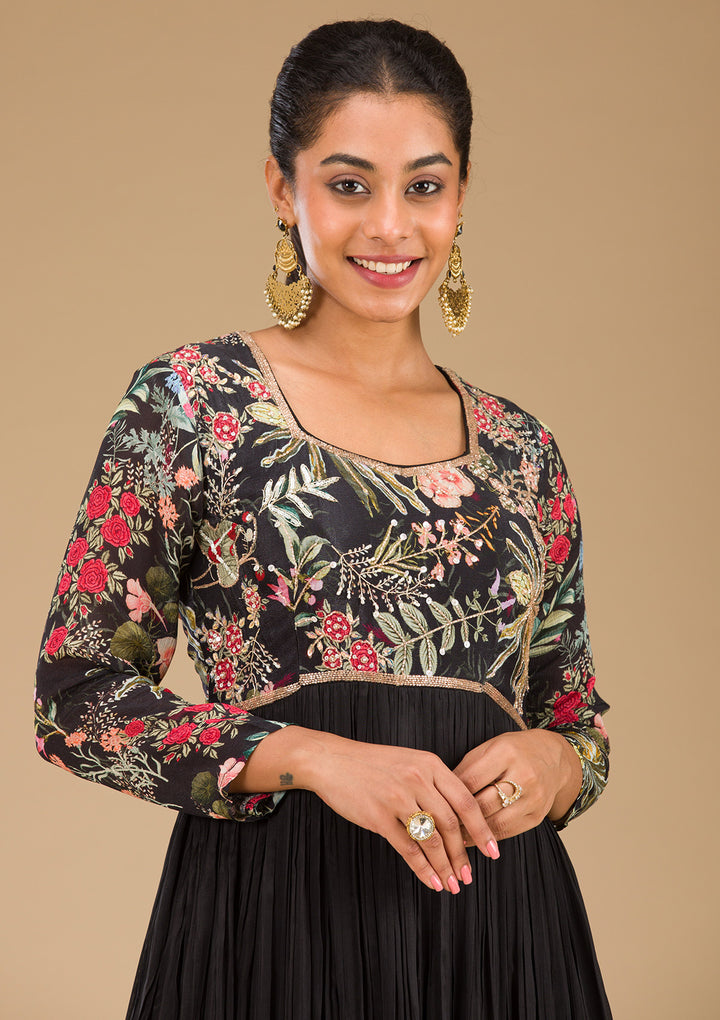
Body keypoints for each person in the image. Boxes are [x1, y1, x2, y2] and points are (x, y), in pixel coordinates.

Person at [35, 18, 611, 1019]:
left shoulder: (524, 451)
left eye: (423, 187)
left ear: (461, 197)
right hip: (275, 926)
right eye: (349, 184)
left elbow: (576, 723)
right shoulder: (194, 402)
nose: (390, 225)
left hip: (500, 940)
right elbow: (75, 700)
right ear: (281, 188)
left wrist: (557, 763)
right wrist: (309, 756)